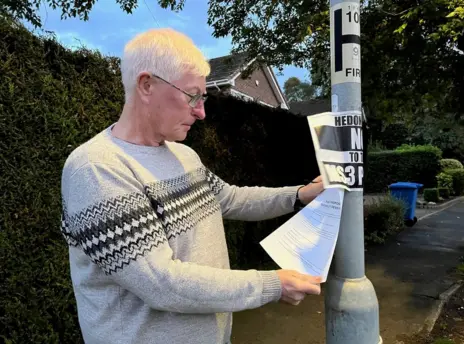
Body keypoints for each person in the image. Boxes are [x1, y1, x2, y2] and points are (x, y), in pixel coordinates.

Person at [60, 28, 325, 344]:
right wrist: (270, 285)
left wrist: (300, 194)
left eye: (203, 97)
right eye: (192, 96)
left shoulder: (183, 155)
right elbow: (162, 283)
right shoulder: (97, 167)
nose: (201, 112)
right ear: (147, 85)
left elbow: (230, 198)